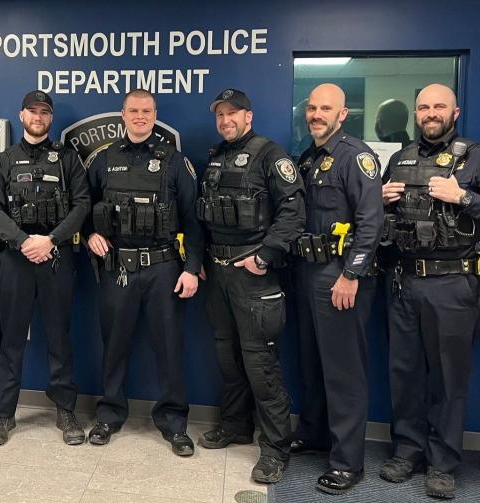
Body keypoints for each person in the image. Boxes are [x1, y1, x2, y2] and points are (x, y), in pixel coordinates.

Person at [379, 83, 480, 499]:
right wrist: (381, 197)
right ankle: (406, 451)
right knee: (404, 374)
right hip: (405, 281)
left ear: (455, 111)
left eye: (438, 106)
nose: (430, 113)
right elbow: (384, 222)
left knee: (448, 378)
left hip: (454, 284)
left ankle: (443, 463)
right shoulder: (400, 157)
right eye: (423, 106)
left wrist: (464, 196)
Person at [85, 88, 203, 457]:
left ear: (154, 115)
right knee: (114, 346)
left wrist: (193, 269)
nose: (140, 116)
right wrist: (89, 234)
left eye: (146, 111)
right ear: (123, 114)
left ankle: (174, 423)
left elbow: (193, 220)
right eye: (133, 110)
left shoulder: (173, 160)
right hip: (117, 266)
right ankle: (109, 414)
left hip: (163, 268)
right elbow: (83, 208)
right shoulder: (103, 160)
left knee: (168, 349)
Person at [196, 89, 304, 483]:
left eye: (232, 114)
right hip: (219, 271)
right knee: (228, 357)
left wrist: (264, 256)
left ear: (249, 116)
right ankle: (236, 425)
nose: (225, 120)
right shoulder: (214, 157)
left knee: (260, 364)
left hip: (255, 274)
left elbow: (294, 213)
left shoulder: (271, 155)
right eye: (220, 115)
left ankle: (276, 448)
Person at [0, 90, 89, 446]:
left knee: (60, 337)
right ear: (21, 114)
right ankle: (4, 414)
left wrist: (51, 240)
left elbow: (82, 204)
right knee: (11, 338)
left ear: (50, 118)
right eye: (32, 110)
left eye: (45, 112)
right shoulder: (5, 160)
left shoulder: (67, 159)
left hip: (56, 256)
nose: (38, 116)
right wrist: (23, 241)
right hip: (16, 258)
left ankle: (65, 410)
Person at [292, 83, 383, 494]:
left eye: (326, 108)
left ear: (343, 114)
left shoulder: (354, 156)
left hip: (339, 276)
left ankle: (348, 462)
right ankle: (313, 434)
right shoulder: (309, 158)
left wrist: (352, 274)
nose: (317, 114)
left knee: (344, 371)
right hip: (308, 272)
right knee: (312, 362)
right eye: (312, 107)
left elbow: (371, 222)